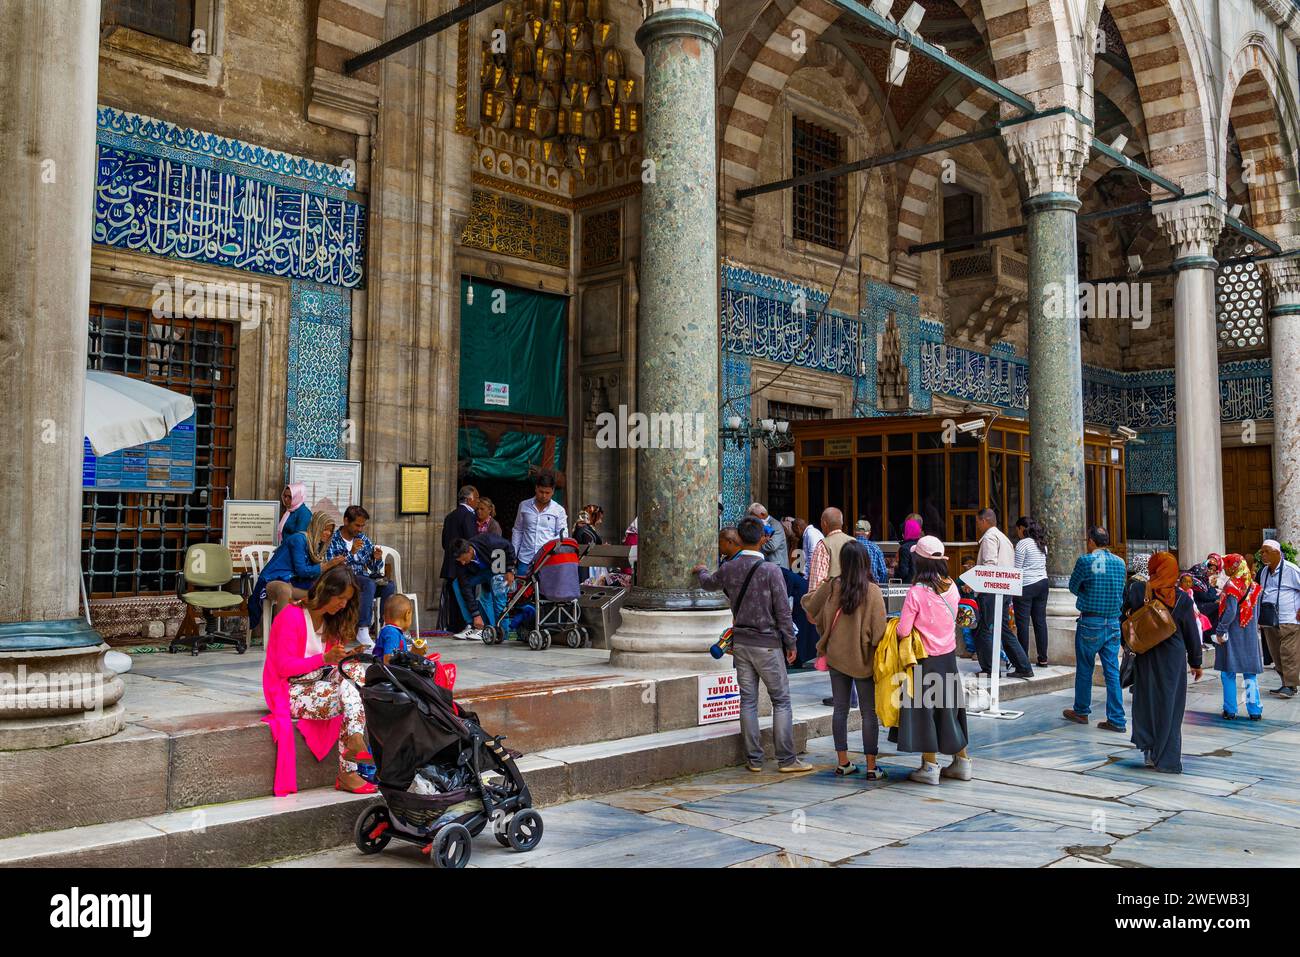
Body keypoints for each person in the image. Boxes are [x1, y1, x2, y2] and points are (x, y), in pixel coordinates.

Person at [694, 516, 813, 773]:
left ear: (739, 538)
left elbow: (707, 583)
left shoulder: (729, 568)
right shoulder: (771, 570)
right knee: (781, 700)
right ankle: (787, 759)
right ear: (762, 539)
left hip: (742, 644)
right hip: (767, 643)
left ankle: (754, 760)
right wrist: (791, 643)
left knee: (747, 701)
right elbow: (783, 611)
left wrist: (701, 570)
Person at [262, 566, 375, 796]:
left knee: (353, 670)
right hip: (288, 690)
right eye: (341, 598)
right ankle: (349, 766)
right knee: (350, 692)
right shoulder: (291, 617)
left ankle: (355, 740)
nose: (343, 604)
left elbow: (330, 669)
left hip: (319, 684)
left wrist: (341, 659)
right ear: (326, 592)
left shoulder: (331, 621)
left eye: (348, 600)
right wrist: (324, 658)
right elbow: (284, 669)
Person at [802, 540, 887, 778]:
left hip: (836, 657)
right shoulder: (873, 591)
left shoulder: (832, 586)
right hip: (863, 661)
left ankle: (843, 763)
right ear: (865, 562)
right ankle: (871, 767)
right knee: (869, 713)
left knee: (840, 709)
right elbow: (879, 632)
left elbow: (808, 604)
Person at [895, 535, 972, 784]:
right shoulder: (952, 586)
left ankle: (929, 766)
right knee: (949, 709)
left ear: (919, 561)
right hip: (948, 657)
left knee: (924, 711)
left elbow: (903, 630)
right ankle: (962, 762)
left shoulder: (916, 592)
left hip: (924, 659)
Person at [1126, 552, 1204, 773]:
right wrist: (1196, 662)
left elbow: (1126, 618)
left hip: (1147, 655)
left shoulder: (1139, 591)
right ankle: (1167, 758)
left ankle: (1149, 751)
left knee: (1147, 702)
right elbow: (1191, 634)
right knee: (1170, 706)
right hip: (1172, 659)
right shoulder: (1183, 599)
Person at [1064, 526, 1128, 731]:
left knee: (1085, 668)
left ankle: (1082, 710)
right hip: (1113, 622)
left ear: (1091, 541)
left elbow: (1073, 587)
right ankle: (1117, 718)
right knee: (1112, 671)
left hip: (1091, 622)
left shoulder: (1086, 561)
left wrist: (1086, 589)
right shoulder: (1120, 563)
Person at [251, 511, 346, 634]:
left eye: (330, 531)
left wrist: (333, 566)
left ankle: (318, 633)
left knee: (324, 593)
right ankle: (282, 635)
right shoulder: (299, 539)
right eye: (324, 529)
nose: (327, 533)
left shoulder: (317, 546)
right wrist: (327, 565)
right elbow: (302, 570)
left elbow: (312, 573)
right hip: (273, 580)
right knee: (284, 590)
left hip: (293, 582)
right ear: (316, 526)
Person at [975, 507, 1034, 679]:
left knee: (984, 629)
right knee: (1003, 629)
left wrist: (977, 583)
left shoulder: (989, 538)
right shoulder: (1004, 537)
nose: (977, 526)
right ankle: (1023, 666)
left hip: (991, 589)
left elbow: (989, 565)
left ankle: (989, 669)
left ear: (984, 521)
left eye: (978, 522)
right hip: (1004, 589)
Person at [325, 505, 393, 647]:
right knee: (367, 583)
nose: (360, 529)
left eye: (362, 526)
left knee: (388, 586)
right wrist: (352, 553)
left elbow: (374, 570)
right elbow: (333, 567)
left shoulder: (363, 539)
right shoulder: (333, 540)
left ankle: (385, 627)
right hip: (343, 581)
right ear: (346, 521)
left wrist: (377, 559)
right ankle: (362, 629)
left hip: (364, 581)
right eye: (357, 525)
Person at [1212, 553, 1265, 721]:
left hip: (1233, 634)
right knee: (1250, 674)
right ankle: (1254, 710)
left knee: (1228, 672)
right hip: (1249, 635)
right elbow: (1257, 613)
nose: (1225, 568)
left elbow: (1231, 611)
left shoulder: (1232, 586)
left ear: (1233, 567)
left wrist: (1220, 630)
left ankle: (1230, 710)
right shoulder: (1255, 586)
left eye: (1227, 565)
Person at [450, 533, 518, 640]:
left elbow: (508, 547)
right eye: (460, 561)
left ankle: (503, 634)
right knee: (457, 584)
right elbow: (465, 586)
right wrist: (475, 615)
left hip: (497, 569)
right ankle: (472, 625)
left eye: (463, 559)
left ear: (470, 551)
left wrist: (510, 569)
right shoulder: (460, 562)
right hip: (481, 573)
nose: (462, 563)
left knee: (499, 599)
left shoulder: (488, 541)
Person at [1258, 539, 1300, 698]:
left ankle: (1290, 685)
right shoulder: (1263, 572)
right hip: (1270, 620)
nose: (1262, 555)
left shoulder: (1291, 569)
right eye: (1261, 552)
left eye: (1266, 551)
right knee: (1276, 654)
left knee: (1288, 653)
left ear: (1277, 553)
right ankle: (1286, 683)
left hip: (1289, 618)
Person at [439, 486, 480, 632]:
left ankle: (455, 627)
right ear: (469, 499)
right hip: (463, 564)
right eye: (477, 499)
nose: (478, 503)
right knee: (466, 596)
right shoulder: (468, 515)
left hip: (450, 564)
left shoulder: (450, 516)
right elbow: (471, 540)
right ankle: (466, 626)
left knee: (453, 601)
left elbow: (444, 542)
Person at [512, 471, 568, 575]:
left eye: (547, 493)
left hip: (547, 559)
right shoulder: (524, 506)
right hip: (525, 558)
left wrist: (548, 547)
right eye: (541, 492)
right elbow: (518, 530)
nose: (543, 496)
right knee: (522, 589)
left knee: (547, 590)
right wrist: (514, 553)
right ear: (536, 488)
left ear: (553, 491)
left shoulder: (558, 510)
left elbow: (563, 536)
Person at [1013, 516, 1051, 665]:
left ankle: (1023, 660)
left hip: (1026, 585)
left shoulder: (1022, 544)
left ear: (1022, 528)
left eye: (1017, 529)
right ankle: (1043, 658)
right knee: (1040, 621)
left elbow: (1017, 569)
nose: (1017, 533)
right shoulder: (1042, 543)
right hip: (1043, 584)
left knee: (1023, 624)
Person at [808, 507, 855, 593]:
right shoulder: (854, 542)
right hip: (855, 600)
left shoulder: (823, 545)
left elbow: (816, 585)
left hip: (832, 603)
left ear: (824, 524)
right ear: (841, 523)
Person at [747, 503, 789, 569]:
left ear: (762, 514)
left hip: (777, 566)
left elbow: (772, 546)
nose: (752, 520)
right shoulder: (760, 524)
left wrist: (754, 546)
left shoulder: (775, 525)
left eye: (754, 517)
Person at [374, 593, 412, 663]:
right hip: (388, 672)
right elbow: (388, 658)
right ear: (407, 615)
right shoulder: (392, 633)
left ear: (384, 617)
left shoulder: (389, 630)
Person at [853, 519, 889, 585]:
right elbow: (883, 572)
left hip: (853, 588)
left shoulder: (849, 546)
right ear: (869, 533)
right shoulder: (875, 548)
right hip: (872, 587)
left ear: (854, 532)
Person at [894, 515, 923, 583]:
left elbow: (903, 572)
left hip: (909, 585)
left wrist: (896, 570)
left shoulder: (904, 548)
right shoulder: (922, 544)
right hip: (922, 583)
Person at [801, 516, 824, 582]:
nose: (796, 535)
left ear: (798, 528)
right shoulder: (810, 532)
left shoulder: (811, 533)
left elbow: (813, 556)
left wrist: (806, 576)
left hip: (815, 574)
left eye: (795, 532)